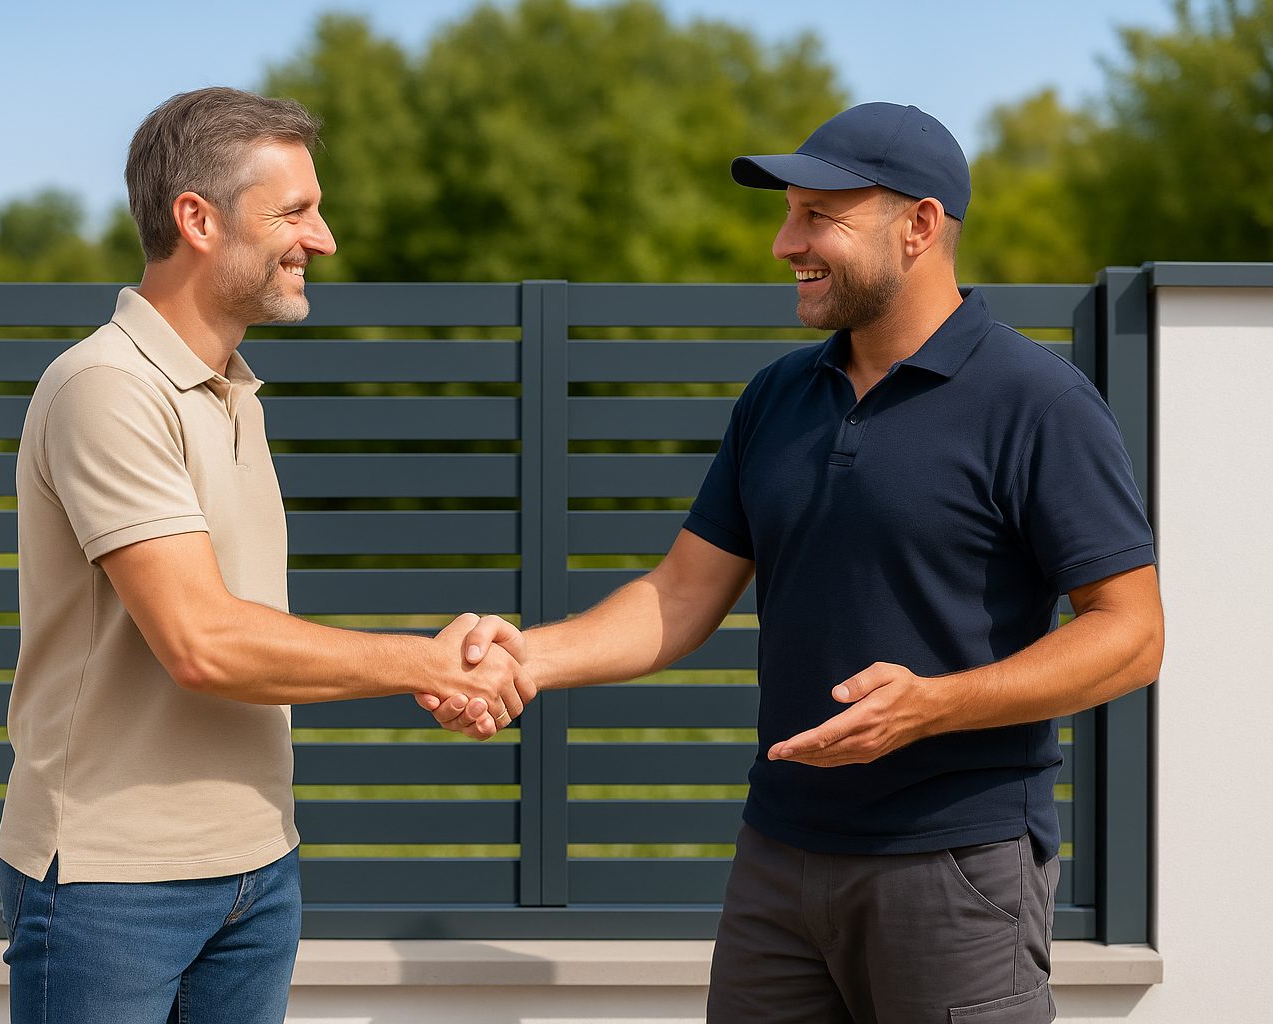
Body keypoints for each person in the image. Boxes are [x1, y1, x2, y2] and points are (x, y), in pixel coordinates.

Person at [425, 102, 1164, 1023]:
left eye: (819, 216)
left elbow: (1131, 635)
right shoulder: (776, 398)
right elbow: (679, 594)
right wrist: (525, 660)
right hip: (778, 861)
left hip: (955, 868)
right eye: (787, 214)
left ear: (919, 225)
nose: (786, 243)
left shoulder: (1037, 401)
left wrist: (935, 705)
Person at [0, 87, 532, 1024]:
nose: (323, 238)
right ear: (197, 220)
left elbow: (245, 631)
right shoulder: (107, 388)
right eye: (294, 212)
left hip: (257, 867)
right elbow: (203, 643)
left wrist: (429, 673)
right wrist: (428, 663)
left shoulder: (232, 392)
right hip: (114, 886)